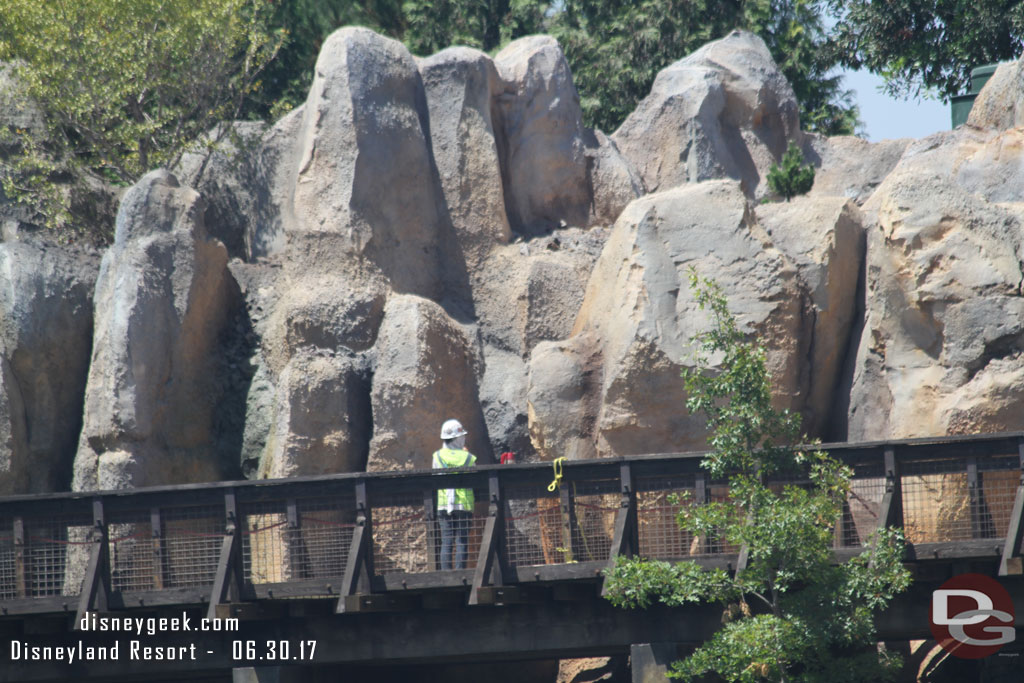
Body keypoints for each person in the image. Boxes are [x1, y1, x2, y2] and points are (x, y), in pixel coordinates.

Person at [432, 419, 477, 570]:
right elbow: (475, 475)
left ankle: (446, 574)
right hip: (463, 503)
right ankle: (460, 573)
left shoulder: (437, 456)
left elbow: (435, 477)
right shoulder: (468, 457)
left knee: (446, 540)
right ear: (458, 438)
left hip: (444, 504)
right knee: (462, 539)